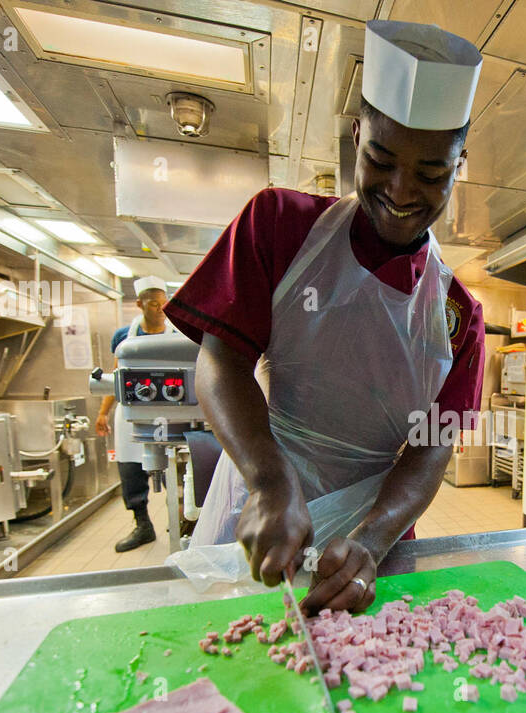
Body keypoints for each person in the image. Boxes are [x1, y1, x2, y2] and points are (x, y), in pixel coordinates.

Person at [164, 20, 485, 615]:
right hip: (264, 512)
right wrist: (269, 479)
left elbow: (430, 448)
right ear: (357, 134)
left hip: (368, 544)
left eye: (431, 173)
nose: (400, 190)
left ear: (460, 163)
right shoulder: (279, 226)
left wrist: (372, 538)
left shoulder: (457, 315)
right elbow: (221, 362)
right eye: (380, 159)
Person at [97, 275, 177, 552]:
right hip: (132, 411)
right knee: (131, 469)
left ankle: (180, 521)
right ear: (139, 304)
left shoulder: (178, 335)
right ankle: (142, 524)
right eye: (152, 303)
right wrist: (102, 413)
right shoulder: (124, 336)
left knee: (175, 470)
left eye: (162, 303)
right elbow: (116, 377)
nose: (159, 308)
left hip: (170, 412)